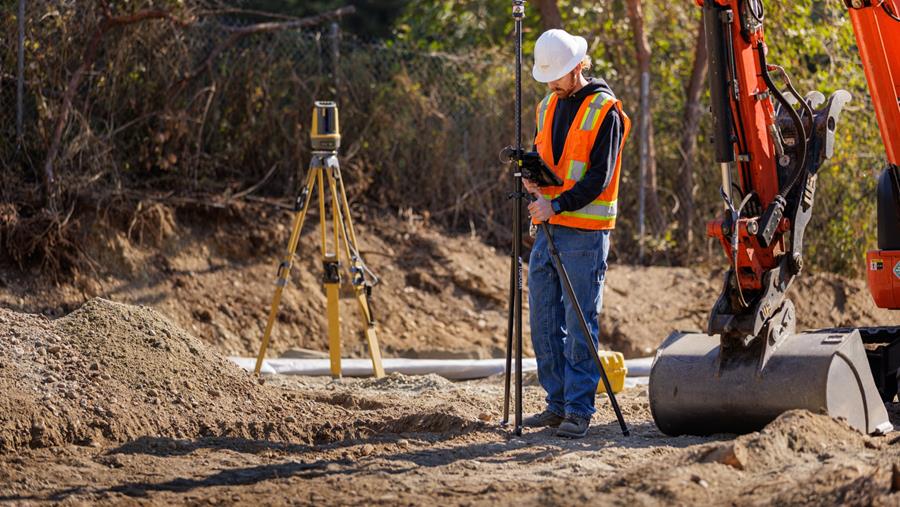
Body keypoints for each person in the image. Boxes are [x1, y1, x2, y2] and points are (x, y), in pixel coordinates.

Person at [522, 29, 630, 438]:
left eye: (558, 75)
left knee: (580, 320)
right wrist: (534, 177)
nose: (551, 83)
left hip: (584, 232)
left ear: (579, 66)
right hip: (547, 225)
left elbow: (599, 179)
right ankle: (556, 403)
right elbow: (551, 158)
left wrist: (557, 203)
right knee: (545, 319)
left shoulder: (606, 111)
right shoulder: (548, 103)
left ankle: (579, 409)